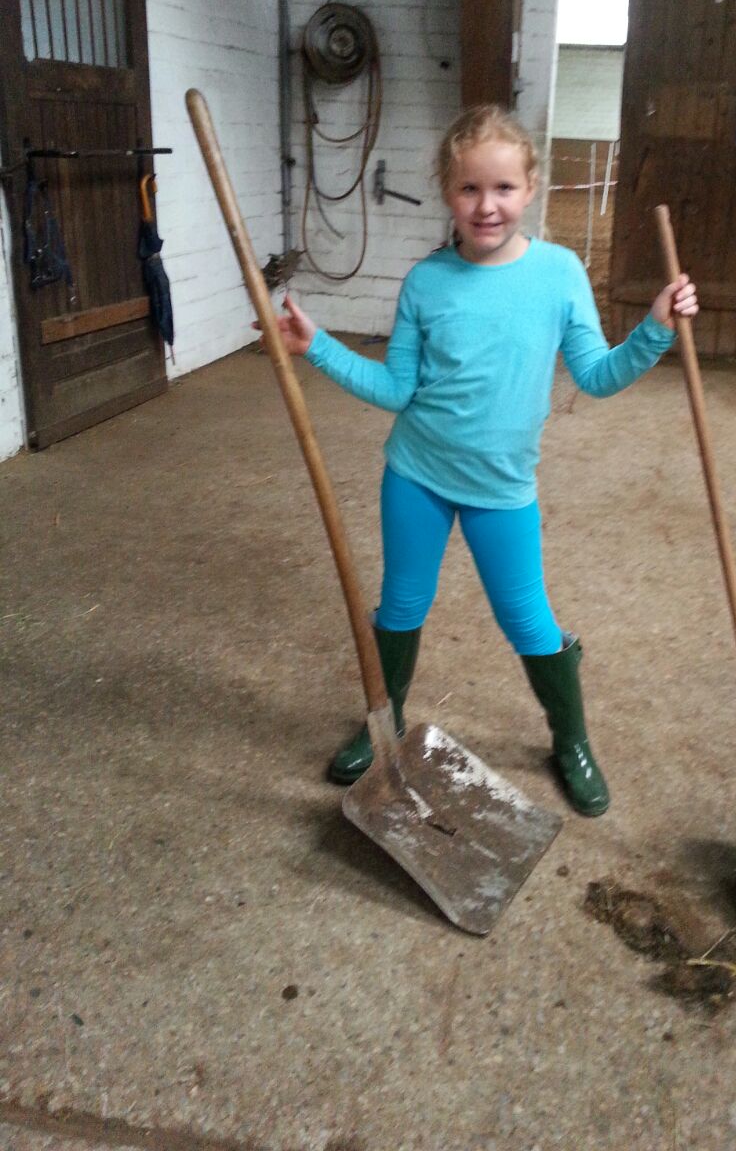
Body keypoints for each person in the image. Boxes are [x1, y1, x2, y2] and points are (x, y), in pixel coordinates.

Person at [264, 105, 698, 816]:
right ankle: (383, 722)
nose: (486, 205)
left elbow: (596, 376)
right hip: (417, 474)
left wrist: (654, 328)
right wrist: (318, 346)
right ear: (447, 192)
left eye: (502, 188)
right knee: (402, 605)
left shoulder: (559, 273)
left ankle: (571, 741)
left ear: (531, 188)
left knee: (527, 618)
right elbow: (396, 389)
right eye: (469, 188)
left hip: (502, 488)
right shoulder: (427, 282)